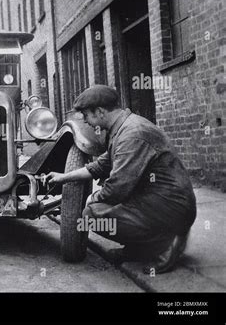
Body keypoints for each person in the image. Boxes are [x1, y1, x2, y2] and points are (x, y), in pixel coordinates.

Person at [46, 85, 197, 274]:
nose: (86, 121)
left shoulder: (132, 134)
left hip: (171, 208)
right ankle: (141, 248)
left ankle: (166, 243)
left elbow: (118, 188)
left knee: (91, 216)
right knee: (96, 210)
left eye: (86, 115)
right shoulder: (123, 128)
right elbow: (100, 166)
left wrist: (92, 199)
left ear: (100, 112)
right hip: (158, 202)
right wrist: (64, 177)